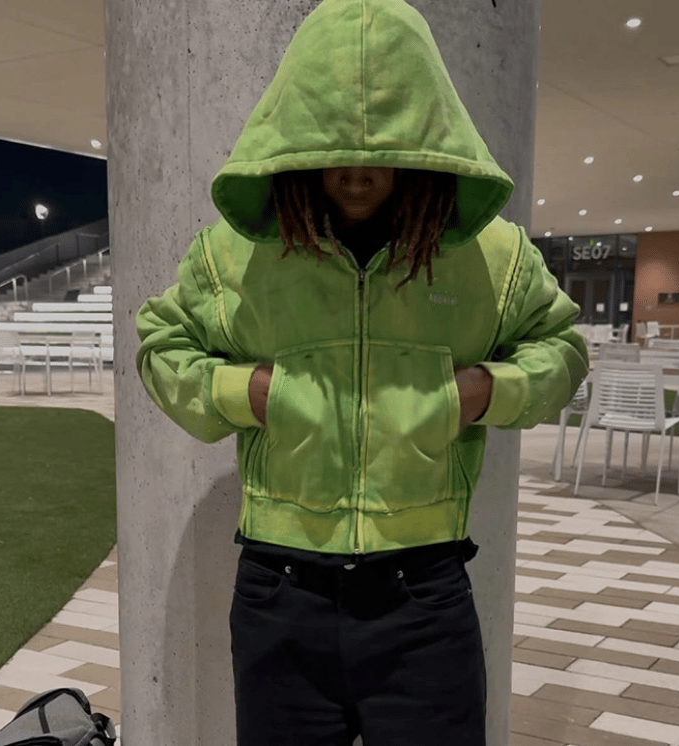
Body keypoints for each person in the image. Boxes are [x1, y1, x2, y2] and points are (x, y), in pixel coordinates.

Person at [135, 1, 589, 744]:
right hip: (280, 593)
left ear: (424, 133)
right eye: (332, 147)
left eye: (380, 149)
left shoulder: (491, 255)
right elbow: (161, 345)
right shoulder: (236, 254)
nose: (354, 172)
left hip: (424, 597)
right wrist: (249, 393)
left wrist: (485, 393)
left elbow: (561, 347)